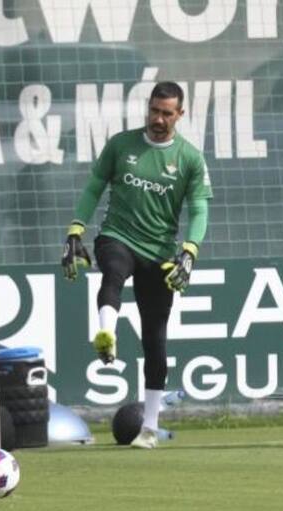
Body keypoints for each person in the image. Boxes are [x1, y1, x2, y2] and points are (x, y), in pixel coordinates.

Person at [61, 81, 212, 449]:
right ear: (148, 107)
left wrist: (189, 251)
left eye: (167, 113)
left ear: (180, 114)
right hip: (118, 236)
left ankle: (149, 428)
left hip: (160, 253)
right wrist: (76, 229)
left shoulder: (189, 158)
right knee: (112, 272)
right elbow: (95, 186)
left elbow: (199, 209)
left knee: (155, 340)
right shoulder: (121, 145)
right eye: (154, 110)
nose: (158, 119)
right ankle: (106, 334)